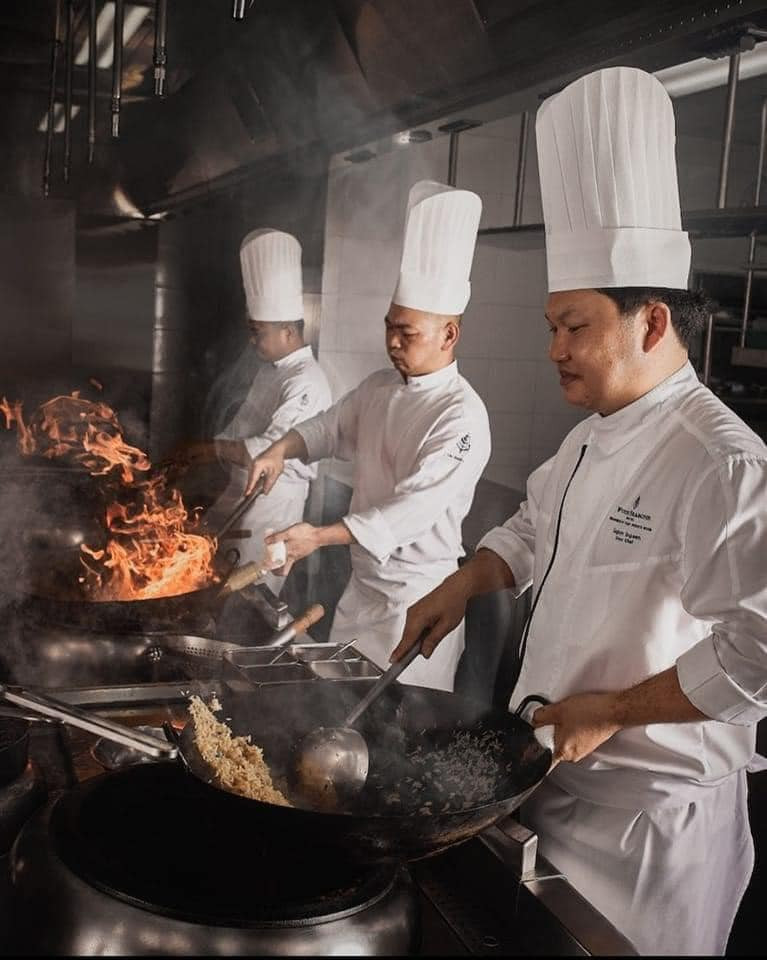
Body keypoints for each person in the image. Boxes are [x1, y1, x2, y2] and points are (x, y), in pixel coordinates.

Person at [390, 67, 767, 955]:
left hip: (648, 830)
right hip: (553, 787)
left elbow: (758, 651)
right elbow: (532, 529)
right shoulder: (592, 435)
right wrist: (464, 582)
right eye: (550, 327)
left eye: (575, 327)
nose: (554, 349)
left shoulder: (719, 461)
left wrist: (616, 709)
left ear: (650, 323)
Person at [245, 180, 491, 690]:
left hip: (416, 601)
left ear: (449, 334)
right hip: (362, 594)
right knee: (335, 713)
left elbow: (409, 511)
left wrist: (318, 537)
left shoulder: (461, 415)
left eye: (408, 333)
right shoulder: (380, 387)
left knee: (397, 729)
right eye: (389, 327)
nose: (393, 343)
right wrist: (280, 449)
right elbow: (328, 427)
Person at [183, 228, 331, 594]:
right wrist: (208, 453)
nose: (252, 341)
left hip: (272, 512)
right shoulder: (270, 372)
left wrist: (208, 449)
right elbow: (239, 430)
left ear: (288, 331)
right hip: (238, 501)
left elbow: (268, 449)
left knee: (249, 602)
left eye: (258, 332)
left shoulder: (307, 381)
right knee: (211, 593)